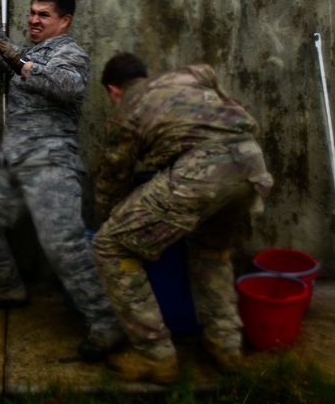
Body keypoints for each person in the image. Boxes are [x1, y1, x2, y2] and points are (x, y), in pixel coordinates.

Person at [90, 53, 275, 384]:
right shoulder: (192, 74)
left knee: (109, 246)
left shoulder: (125, 110)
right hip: (250, 163)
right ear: (144, 76)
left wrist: (111, 218)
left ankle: (155, 356)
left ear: (113, 90)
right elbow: (212, 83)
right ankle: (225, 349)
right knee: (211, 252)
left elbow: (112, 180)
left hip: (201, 172)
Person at [0, 0, 124, 361]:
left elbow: (66, 86)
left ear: (64, 20)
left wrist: (17, 59)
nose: (34, 20)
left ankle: (106, 323)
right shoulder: (33, 51)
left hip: (51, 162)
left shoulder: (71, 54)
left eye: (44, 15)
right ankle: (4, 287)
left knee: (64, 246)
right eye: (32, 13)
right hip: (15, 160)